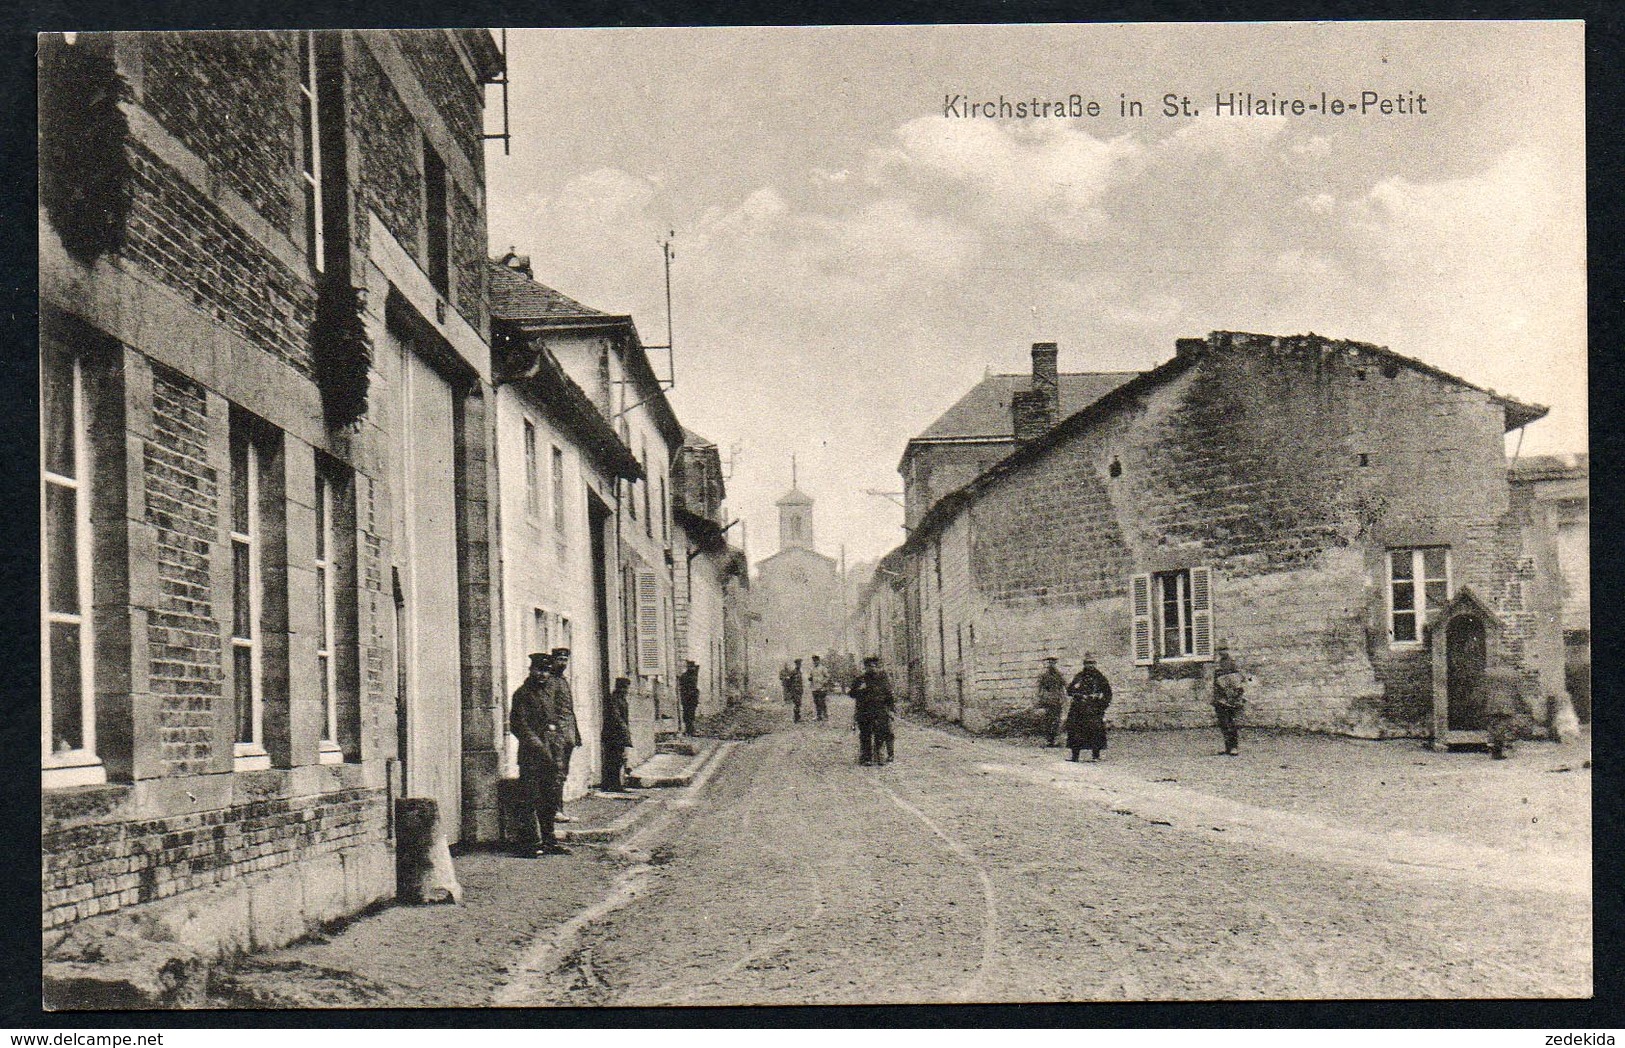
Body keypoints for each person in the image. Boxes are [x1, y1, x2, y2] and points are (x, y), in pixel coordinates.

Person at [509, 652, 570, 855]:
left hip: (551, 754)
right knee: (530, 798)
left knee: (549, 798)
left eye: (546, 671)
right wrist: (538, 746)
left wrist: (556, 745)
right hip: (531, 756)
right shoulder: (522, 694)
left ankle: (549, 841)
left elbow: (555, 721)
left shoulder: (548, 693)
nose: (543, 675)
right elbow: (519, 726)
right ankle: (529, 844)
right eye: (539, 670)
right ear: (531, 670)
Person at [546, 647, 582, 823]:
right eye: (559, 659)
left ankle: (559, 809)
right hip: (557, 735)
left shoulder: (563, 681)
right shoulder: (551, 681)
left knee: (562, 773)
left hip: (567, 735)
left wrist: (576, 735)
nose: (563, 663)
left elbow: (569, 711)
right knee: (556, 773)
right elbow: (550, 710)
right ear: (553, 660)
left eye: (565, 660)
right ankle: (555, 811)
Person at [1065, 653, 1113, 761]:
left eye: (1092, 663)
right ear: (1084, 664)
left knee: (1095, 731)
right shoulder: (1079, 676)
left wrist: (1102, 706)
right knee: (1075, 731)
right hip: (1079, 709)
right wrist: (1077, 694)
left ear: (1095, 664)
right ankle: (1075, 756)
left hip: (1094, 708)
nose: (1089, 666)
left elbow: (1108, 693)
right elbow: (1070, 690)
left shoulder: (1100, 678)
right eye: (1087, 663)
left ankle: (1096, 755)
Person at [850, 656, 896, 765]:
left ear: (877, 667)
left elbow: (889, 695)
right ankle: (866, 757)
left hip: (879, 710)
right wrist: (859, 689)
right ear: (865, 667)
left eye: (874, 666)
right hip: (864, 711)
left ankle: (879, 756)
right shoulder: (860, 679)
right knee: (865, 734)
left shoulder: (883, 679)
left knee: (880, 733)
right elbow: (851, 694)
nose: (872, 668)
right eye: (869, 666)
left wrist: (891, 710)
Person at [1480, 666, 1525, 760]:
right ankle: (1497, 749)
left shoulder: (1488, 675)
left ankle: (1494, 748)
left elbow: (1483, 690)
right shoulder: (1513, 676)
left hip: (1492, 703)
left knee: (1494, 726)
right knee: (1502, 727)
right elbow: (1518, 692)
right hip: (1507, 704)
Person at [1211, 643, 1245, 756]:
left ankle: (1234, 747)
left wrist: (1235, 694)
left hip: (1231, 697)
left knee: (1231, 722)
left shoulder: (1233, 663)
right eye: (1219, 650)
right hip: (1219, 697)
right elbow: (1215, 681)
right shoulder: (1217, 664)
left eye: (1224, 649)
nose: (1221, 652)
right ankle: (1227, 747)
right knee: (1223, 723)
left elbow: (1239, 680)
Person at [601, 676, 633, 791]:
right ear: (620, 688)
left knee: (618, 759)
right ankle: (611, 785)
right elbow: (616, 717)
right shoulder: (614, 699)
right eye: (625, 688)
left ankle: (614, 784)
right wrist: (624, 729)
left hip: (618, 734)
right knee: (613, 760)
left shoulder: (621, 698)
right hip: (613, 734)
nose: (627, 690)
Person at [1036, 656, 1067, 746]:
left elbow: (1064, 685)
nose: (1051, 664)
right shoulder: (1044, 675)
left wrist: (1064, 697)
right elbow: (1039, 688)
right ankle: (1049, 740)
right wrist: (1040, 698)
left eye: (1053, 662)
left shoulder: (1059, 675)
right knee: (1048, 720)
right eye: (1049, 662)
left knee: (1056, 719)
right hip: (1048, 700)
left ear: (1055, 664)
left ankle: (1055, 739)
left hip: (1057, 700)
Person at [678, 660, 701, 735]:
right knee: (688, 715)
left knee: (690, 714)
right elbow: (683, 688)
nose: (693, 669)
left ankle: (690, 729)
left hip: (691, 698)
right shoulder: (686, 676)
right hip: (688, 698)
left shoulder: (691, 675)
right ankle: (689, 730)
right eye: (691, 667)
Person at [809, 655, 831, 722]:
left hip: (822, 688)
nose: (815, 662)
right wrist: (810, 679)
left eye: (816, 661)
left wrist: (823, 683)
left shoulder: (823, 668)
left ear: (819, 661)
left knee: (822, 702)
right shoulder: (812, 669)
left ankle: (825, 716)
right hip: (814, 688)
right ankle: (819, 716)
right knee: (816, 702)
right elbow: (811, 677)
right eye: (814, 661)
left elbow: (827, 677)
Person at [787, 658, 805, 723]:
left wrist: (801, 689)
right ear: (796, 664)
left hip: (799, 690)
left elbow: (800, 682)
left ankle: (798, 717)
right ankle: (796, 718)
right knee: (796, 704)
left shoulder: (799, 672)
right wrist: (790, 690)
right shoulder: (793, 672)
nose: (799, 665)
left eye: (800, 664)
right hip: (794, 690)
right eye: (798, 664)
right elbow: (788, 681)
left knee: (799, 703)